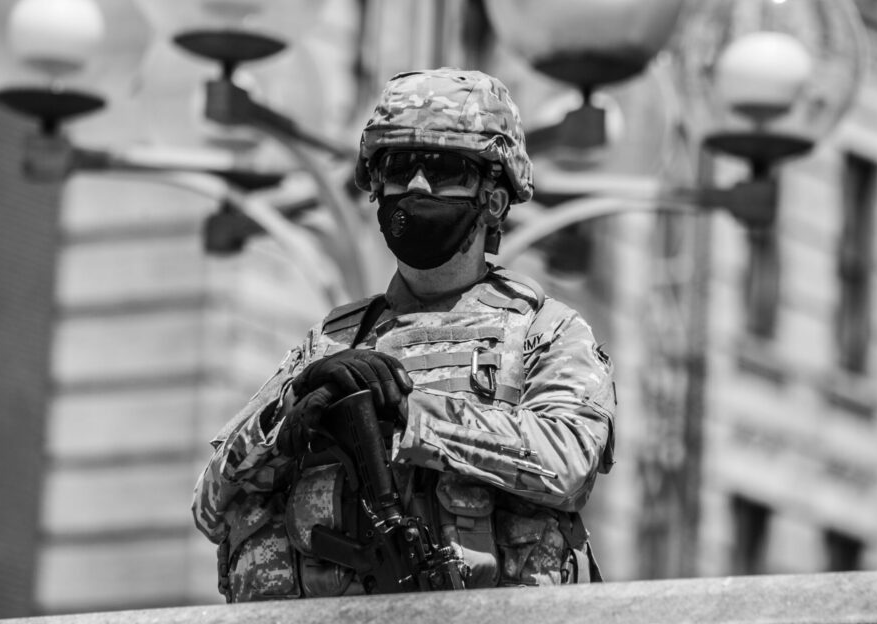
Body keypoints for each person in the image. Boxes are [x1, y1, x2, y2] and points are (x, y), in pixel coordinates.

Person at [191, 67, 616, 602]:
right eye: (398, 167)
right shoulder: (332, 340)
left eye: (443, 170)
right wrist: (289, 410)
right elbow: (209, 505)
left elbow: (568, 464)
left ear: (494, 198)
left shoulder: (545, 332)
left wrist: (408, 417)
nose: (416, 186)